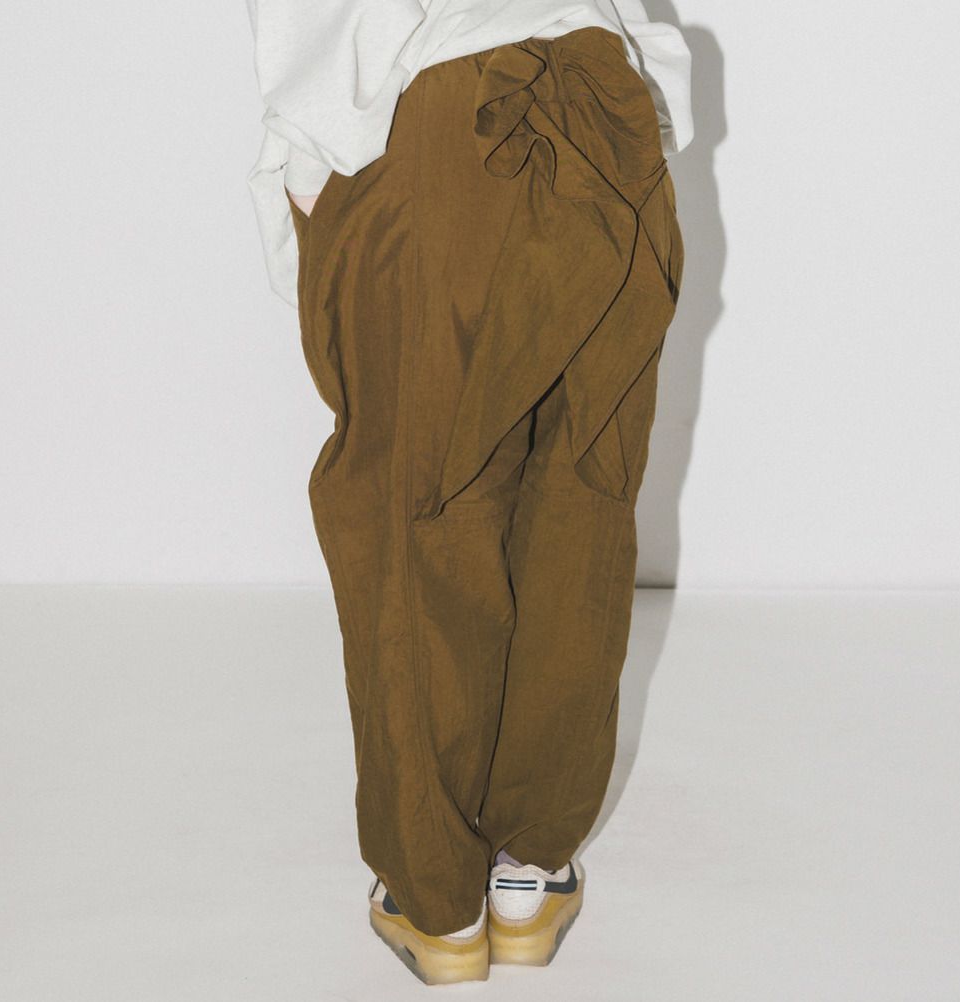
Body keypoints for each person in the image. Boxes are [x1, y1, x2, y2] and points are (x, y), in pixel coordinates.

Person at [244, 0, 692, 985]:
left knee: (417, 511)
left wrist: (309, 160)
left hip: (438, 119)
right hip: (607, 103)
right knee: (580, 499)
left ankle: (436, 901)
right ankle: (531, 866)